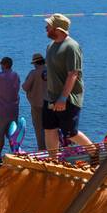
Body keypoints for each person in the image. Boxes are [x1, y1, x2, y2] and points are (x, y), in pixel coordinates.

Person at [42, 13, 92, 154]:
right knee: (49, 129)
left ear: (58, 29)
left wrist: (63, 98)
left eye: (49, 26)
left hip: (68, 98)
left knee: (71, 133)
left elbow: (73, 74)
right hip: (51, 96)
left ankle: (95, 153)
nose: (46, 28)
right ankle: (53, 162)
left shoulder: (72, 46)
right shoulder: (50, 46)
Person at [0, 56, 21, 166]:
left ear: (4, 65)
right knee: (12, 134)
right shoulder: (16, 75)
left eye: (1, 64)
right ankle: (14, 156)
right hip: (13, 109)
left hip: (0, 110)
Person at [20, 52, 48, 151]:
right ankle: (54, 148)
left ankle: (42, 149)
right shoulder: (51, 71)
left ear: (35, 63)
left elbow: (25, 87)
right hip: (50, 104)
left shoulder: (34, 73)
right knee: (51, 128)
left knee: (39, 128)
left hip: (36, 104)